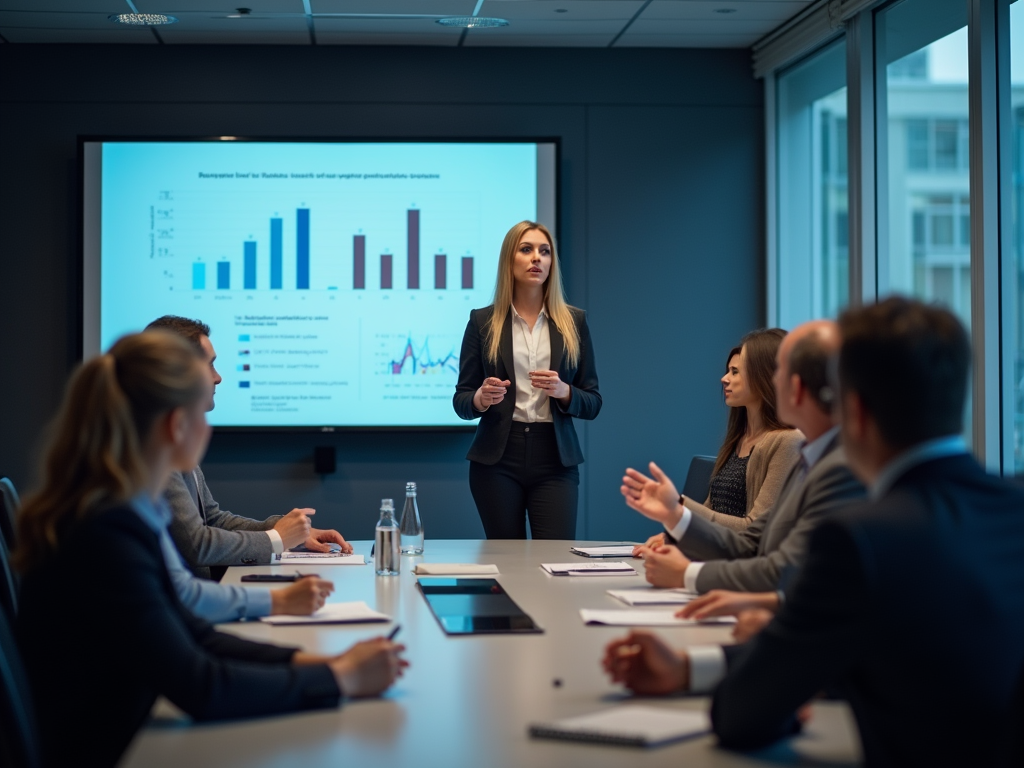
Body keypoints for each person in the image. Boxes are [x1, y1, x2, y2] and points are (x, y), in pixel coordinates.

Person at [601, 297, 1024, 767]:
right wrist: (702, 662)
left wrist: (712, 666)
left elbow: (743, 713)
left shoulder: (861, 540)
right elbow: (910, 652)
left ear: (854, 409)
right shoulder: (1012, 509)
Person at [13, 331, 406, 768]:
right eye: (203, 408)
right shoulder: (106, 536)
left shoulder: (114, 511)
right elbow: (201, 687)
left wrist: (318, 661)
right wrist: (340, 678)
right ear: (176, 425)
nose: (210, 423)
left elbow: (194, 635)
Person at [623, 320, 864, 592]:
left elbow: (783, 567)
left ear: (794, 386)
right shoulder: (811, 460)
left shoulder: (831, 465)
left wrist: (687, 569)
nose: (725, 379)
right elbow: (752, 542)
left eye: (779, 373)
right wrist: (676, 518)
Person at [146, 315, 352, 581]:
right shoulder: (155, 450)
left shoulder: (176, 438)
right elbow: (197, 545)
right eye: (209, 366)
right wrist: (276, 539)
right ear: (178, 373)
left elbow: (212, 519)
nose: (218, 378)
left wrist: (285, 533)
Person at [453, 221, 601, 539]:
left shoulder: (574, 322)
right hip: (497, 460)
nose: (537, 258)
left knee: (557, 564)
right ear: (510, 259)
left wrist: (564, 392)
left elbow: (593, 402)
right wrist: (481, 397)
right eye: (527, 249)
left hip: (556, 459)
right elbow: (462, 400)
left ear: (551, 263)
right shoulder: (482, 321)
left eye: (544, 252)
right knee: (507, 564)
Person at [638, 329, 802, 551]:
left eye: (735, 372)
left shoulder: (788, 442)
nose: (724, 379)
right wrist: (674, 537)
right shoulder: (739, 440)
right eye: (728, 371)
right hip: (718, 560)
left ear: (765, 377)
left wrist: (679, 507)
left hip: (743, 571)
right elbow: (712, 511)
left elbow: (755, 530)